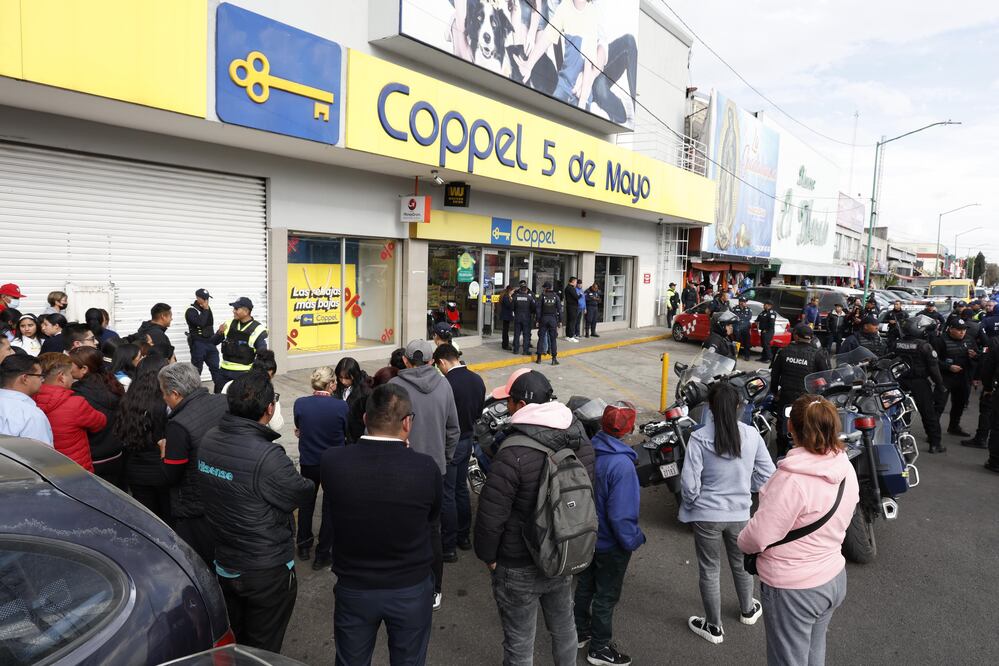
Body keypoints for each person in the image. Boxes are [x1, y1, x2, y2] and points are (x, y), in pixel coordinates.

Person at [475, 370, 594, 666]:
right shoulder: (580, 440)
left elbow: (492, 515)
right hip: (563, 552)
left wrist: (489, 557)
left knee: (519, 641)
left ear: (518, 404)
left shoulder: (513, 451)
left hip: (518, 562)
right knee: (565, 627)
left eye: (510, 402)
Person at [320, 383, 441, 666]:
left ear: (364, 419)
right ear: (407, 423)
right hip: (410, 588)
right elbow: (432, 518)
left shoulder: (333, 462)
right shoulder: (425, 468)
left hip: (354, 587)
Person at [737, 395, 860, 666]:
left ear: (791, 428)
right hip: (832, 577)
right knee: (814, 651)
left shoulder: (792, 480)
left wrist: (741, 540)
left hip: (794, 590)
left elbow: (757, 537)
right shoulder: (844, 467)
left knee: (788, 660)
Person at [198, 371, 313, 653]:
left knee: (236, 642)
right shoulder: (268, 456)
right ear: (269, 409)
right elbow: (301, 492)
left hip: (225, 561)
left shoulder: (209, 439)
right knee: (263, 649)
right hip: (266, 569)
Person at [680, 383, 775, 645]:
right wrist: (748, 488)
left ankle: (714, 627)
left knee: (710, 569)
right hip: (740, 513)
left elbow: (689, 485)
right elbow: (768, 475)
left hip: (707, 516)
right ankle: (747, 610)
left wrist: (695, 502)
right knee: (741, 563)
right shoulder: (752, 435)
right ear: (738, 407)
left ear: (709, 407)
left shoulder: (699, 438)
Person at [390, 339, 460, 610]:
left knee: (400, 525)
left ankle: (403, 581)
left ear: (406, 361)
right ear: (432, 360)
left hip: (401, 468)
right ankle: (434, 589)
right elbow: (453, 429)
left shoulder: (394, 388)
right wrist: (445, 457)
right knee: (433, 529)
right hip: (435, 471)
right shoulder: (444, 385)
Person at [574, 402, 646, 665]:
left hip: (585, 537)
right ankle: (599, 648)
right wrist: (632, 540)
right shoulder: (622, 466)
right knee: (606, 595)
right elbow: (620, 515)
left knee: (585, 586)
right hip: (610, 543)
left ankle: (579, 631)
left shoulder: (589, 451)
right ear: (628, 429)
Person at [159, 362, 228, 566]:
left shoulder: (178, 425)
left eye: (163, 393)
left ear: (175, 393)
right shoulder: (223, 401)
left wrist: (164, 453)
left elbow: (171, 474)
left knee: (200, 561)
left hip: (195, 505)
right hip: (224, 493)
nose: (163, 398)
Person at [433, 343, 485, 562]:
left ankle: (449, 545)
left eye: (438, 365)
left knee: (448, 493)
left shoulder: (446, 384)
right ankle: (464, 537)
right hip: (468, 439)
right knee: (462, 490)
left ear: (443, 362)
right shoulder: (477, 380)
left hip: (451, 442)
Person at [293, 365, 348, 571]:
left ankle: (304, 545)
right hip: (333, 462)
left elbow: (300, 426)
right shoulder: (341, 407)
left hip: (309, 461)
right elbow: (345, 431)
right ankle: (323, 553)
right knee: (329, 508)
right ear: (332, 384)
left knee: (306, 504)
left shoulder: (300, 404)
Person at [114, 354, 173, 523]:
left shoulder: (128, 399)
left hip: (135, 468)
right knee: (167, 518)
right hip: (161, 468)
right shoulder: (165, 402)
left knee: (148, 519)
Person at [33, 353, 106, 471]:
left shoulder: (30, 399)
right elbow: (100, 422)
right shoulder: (75, 404)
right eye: (71, 374)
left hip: (44, 469)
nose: (74, 378)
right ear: (61, 377)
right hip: (75, 469)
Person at [69, 347, 126, 488]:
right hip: (117, 453)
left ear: (84, 369)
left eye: (71, 364)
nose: (67, 368)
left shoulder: (78, 394)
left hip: (94, 457)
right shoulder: (112, 384)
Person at [770, 325, 830, 455]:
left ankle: (780, 453)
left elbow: (774, 375)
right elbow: (825, 377)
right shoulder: (818, 354)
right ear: (811, 338)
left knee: (782, 425)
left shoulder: (784, 351)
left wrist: (774, 392)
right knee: (808, 424)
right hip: (807, 398)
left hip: (786, 396)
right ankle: (805, 451)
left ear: (796, 336)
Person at [890, 315, 944, 454]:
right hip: (919, 382)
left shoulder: (896, 343)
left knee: (900, 413)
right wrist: (940, 385)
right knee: (928, 413)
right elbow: (934, 369)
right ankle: (935, 444)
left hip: (899, 381)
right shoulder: (924, 346)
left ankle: (899, 442)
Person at [934, 318, 977, 438]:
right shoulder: (940, 340)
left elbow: (977, 356)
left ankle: (954, 426)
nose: (962, 332)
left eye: (964, 330)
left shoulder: (969, 339)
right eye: (959, 330)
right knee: (939, 405)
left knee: (959, 404)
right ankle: (933, 432)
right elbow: (933, 360)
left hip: (963, 377)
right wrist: (948, 367)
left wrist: (975, 356)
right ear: (951, 329)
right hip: (945, 377)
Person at [213, 297, 268, 392]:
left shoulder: (257, 329)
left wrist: (254, 376)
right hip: (223, 373)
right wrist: (219, 333)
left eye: (236, 309)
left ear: (246, 311)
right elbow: (213, 342)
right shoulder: (228, 324)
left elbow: (263, 356)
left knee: (240, 403)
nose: (233, 311)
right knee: (219, 401)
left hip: (243, 374)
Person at [0, 354, 53, 444]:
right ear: (25, 378)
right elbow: (40, 455)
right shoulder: (31, 415)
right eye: (39, 376)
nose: (42, 380)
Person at [186, 288, 222, 389]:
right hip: (198, 344)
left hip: (210, 343)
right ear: (197, 298)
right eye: (204, 299)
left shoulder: (207, 309)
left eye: (207, 299)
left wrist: (217, 336)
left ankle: (219, 392)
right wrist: (205, 310)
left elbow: (210, 325)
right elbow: (201, 323)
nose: (206, 301)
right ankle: (193, 392)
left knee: (215, 368)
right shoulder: (191, 311)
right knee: (197, 371)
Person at [334, 357, 372, 443]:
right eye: (340, 377)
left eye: (347, 378)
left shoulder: (365, 392)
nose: (343, 381)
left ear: (355, 376)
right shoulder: (338, 388)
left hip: (357, 437)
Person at [537, 282, 563, 366]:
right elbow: (559, 310)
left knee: (541, 338)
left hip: (544, 319)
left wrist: (537, 320)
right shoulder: (556, 297)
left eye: (544, 287)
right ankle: (554, 359)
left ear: (546, 288)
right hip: (552, 319)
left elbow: (538, 310)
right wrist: (560, 321)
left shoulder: (542, 297)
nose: (543, 289)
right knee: (553, 339)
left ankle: (539, 358)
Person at [512, 281, 536, 356]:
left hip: (518, 318)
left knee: (517, 334)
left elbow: (512, 307)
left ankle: (516, 350)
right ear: (526, 290)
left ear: (520, 289)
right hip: (526, 318)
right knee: (526, 335)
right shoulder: (529, 297)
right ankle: (525, 351)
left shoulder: (515, 297)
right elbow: (534, 308)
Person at [731, 296, 754, 360]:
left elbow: (749, 317)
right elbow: (734, 317)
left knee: (747, 342)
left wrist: (740, 318)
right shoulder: (734, 309)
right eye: (741, 301)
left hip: (745, 328)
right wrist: (742, 317)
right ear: (739, 302)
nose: (743, 303)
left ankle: (747, 356)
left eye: (744, 302)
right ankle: (735, 355)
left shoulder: (749, 309)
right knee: (736, 342)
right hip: (737, 328)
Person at [564, 277, 581, 342]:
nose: (576, 283)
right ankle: (571, 336)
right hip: (572, 307)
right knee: (572, 322)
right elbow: (576, 297)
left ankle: (568, 335)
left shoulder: (567, 288)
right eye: (576, 282)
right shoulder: (571, 288)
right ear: (573, 281)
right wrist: (580, 295)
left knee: (569, 321)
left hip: (569, 306)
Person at [500, 284, 515, 350]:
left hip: (506, 315)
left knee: (505, 330)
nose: (513, 292)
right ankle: (505, 345)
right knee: (505, 331)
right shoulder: (506, 297)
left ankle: (505, 343)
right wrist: (512, 300)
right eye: (513, 291)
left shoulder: (506, 296)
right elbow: (509, 305)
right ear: (510, 290)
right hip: (506, 316)